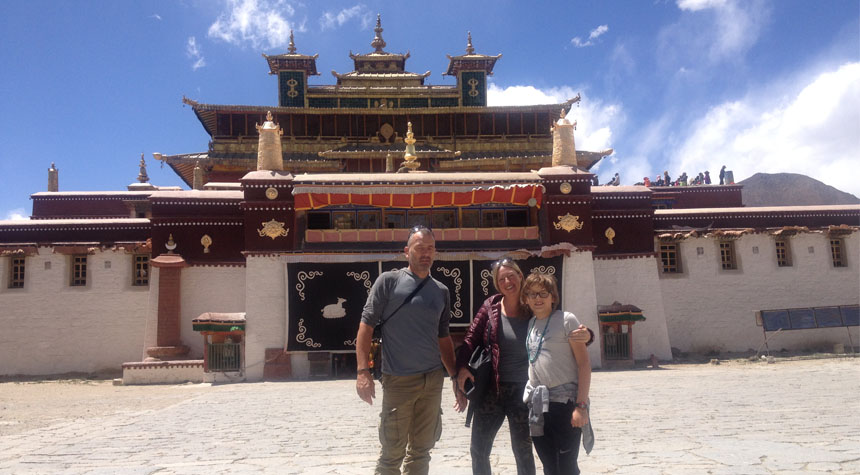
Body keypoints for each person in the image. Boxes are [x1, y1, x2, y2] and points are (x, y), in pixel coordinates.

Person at [455, 259, 592, 475]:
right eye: (502, 279)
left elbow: (560, 327)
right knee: (479, 448)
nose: (507, 281)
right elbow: (471, 337)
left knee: (523, 450)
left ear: (521, 276)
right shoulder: (491, 306)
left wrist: (589, 335)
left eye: (512, 276)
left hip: (524, 393)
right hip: (494, 388)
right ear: (496, 283)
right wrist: (461, 367)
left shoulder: (532, 306)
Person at [355, 225, 463, 475]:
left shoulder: (441, 291)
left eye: (430, 248)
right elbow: (365, 328)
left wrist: (455, 376)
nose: (426, 253)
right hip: (399, 380)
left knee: (422, 451)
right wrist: (363, 372)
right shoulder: (389, 282)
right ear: (406, 251)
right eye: (420, 248)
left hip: (432, 380)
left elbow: (443, 337)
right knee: (392, 452)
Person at [522, 272, 592, 475]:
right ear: (526, 299)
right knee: (550, 466)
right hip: (538, 404)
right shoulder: (531, 324)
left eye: (543, 293)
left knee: (567, 466)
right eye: (532, 294)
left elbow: (584, 364)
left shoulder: (566, 320)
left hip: (564, 402)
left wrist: (581, 406)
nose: (537, 298)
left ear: (553, 297)